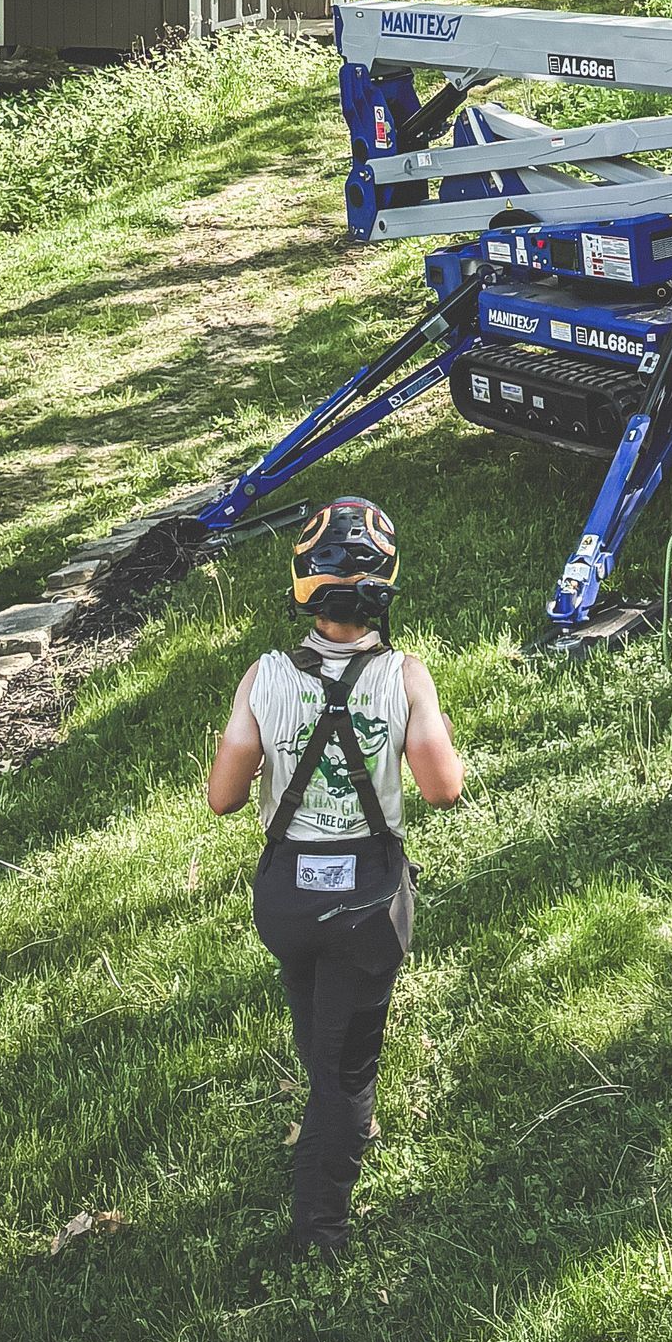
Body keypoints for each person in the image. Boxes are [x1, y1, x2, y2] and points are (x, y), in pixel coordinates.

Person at [204, 497, 463, 1260]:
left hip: (287, 896)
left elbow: (223, 798)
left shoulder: (264, 676)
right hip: (367, 901)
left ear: (305, 584)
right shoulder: (404, 676)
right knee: (348, 1067)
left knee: (321, 1025)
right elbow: (443, 786)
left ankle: (337, 1129)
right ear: (385, 584)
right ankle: (320, 1230)